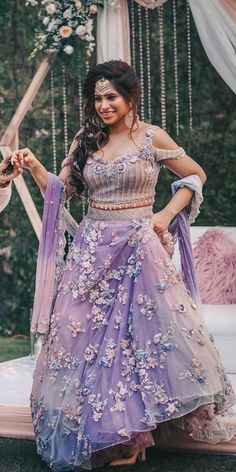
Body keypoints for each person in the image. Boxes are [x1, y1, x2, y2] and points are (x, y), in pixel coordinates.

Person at [10, 60, 236, 470]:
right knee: (90, 344)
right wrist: (35, 167)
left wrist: (165, 215)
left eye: (111, 97)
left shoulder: (151, 137)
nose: (103, 105)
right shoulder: (86, 140)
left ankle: (134, 438)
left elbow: (195, 176)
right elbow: (61, 193)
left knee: (136, 343)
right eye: (97, 98)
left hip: (137, 249)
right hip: (91, 251)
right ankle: (112, 436)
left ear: (131, 97)